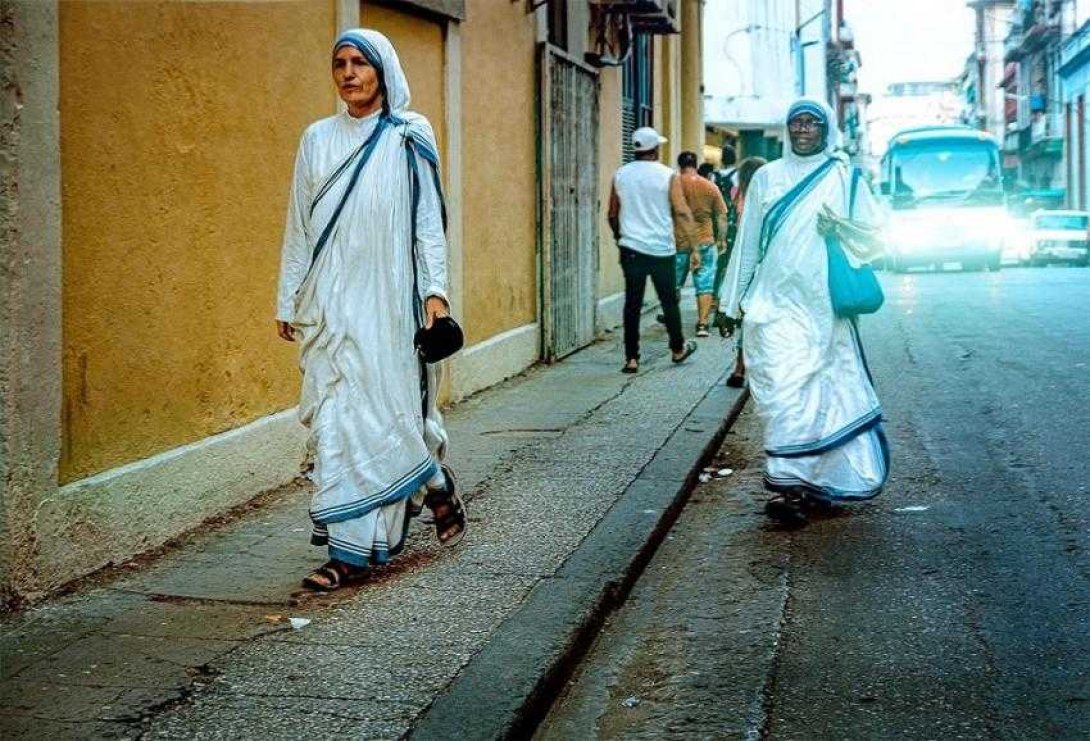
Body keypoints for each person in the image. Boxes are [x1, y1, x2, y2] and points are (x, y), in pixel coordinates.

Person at [276, 28, 466, 591]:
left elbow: (428, 221)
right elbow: (299, 224)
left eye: (361, 62)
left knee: (387, 415)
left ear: (384, 71)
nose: (349, 73)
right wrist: (290, 296)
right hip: (331, 304)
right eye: (340, 63)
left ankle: (423, 487)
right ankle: (354, 548)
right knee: (339, 416)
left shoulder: (410, 134)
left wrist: (436, 294)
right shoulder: (317, 138)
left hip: (389, 300)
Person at [718, 97, 890, 527]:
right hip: (773, 305)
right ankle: (788, 480)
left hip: (823, 307)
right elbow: (748, 240)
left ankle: (808, 485)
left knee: (823, 395)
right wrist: (730, 300)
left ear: (826, 129)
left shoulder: (846, 178)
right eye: (796, 122)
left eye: (813, 122)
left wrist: (841, 229)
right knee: (782, 391)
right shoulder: (768, 178)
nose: (803, 129)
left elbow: (875, 239)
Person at [608, 126, 698, 374]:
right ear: (655, 149)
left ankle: (631, 358)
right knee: (669, 300)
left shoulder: (621, 175)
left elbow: (612, 214)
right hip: (661, 249)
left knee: (632, 303)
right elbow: (681, 210)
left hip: (631, 248)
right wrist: (694, 246)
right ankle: (678, 348)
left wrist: (620, 237)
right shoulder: (668, 175)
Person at [674, 151, 729, 337]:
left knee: (673, 284)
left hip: (677, 242)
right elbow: (721, 215)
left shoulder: (673, 185)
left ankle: (672, 320)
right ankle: (703, 324)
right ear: (696, 164)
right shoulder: (710, 187)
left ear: (679, 164)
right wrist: (721, 239)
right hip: (705, 240)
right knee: (705, 284)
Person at [724, 155, 766, 387]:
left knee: (746, 315)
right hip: (765, 262)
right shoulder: (769, 194)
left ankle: (739, 367)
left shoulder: (737, 193)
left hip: (743, 259)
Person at [710, 144, 741, 327]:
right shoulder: (737, 175)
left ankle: (714, 299)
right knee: (730, 264)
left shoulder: (714, 176)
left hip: (716, 223)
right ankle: (725, 305)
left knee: (718, 264)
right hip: (731, 223)